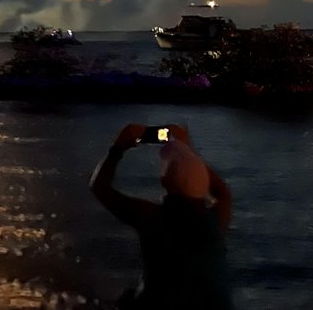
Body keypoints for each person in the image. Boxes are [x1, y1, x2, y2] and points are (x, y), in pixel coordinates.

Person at [89, 124, 233, 310]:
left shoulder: (152, 217)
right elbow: (223, 193)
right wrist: (187, 151)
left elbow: (98, 187)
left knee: (127, 300)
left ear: (164, 180)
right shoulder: (217, 219)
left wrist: (118, 148)